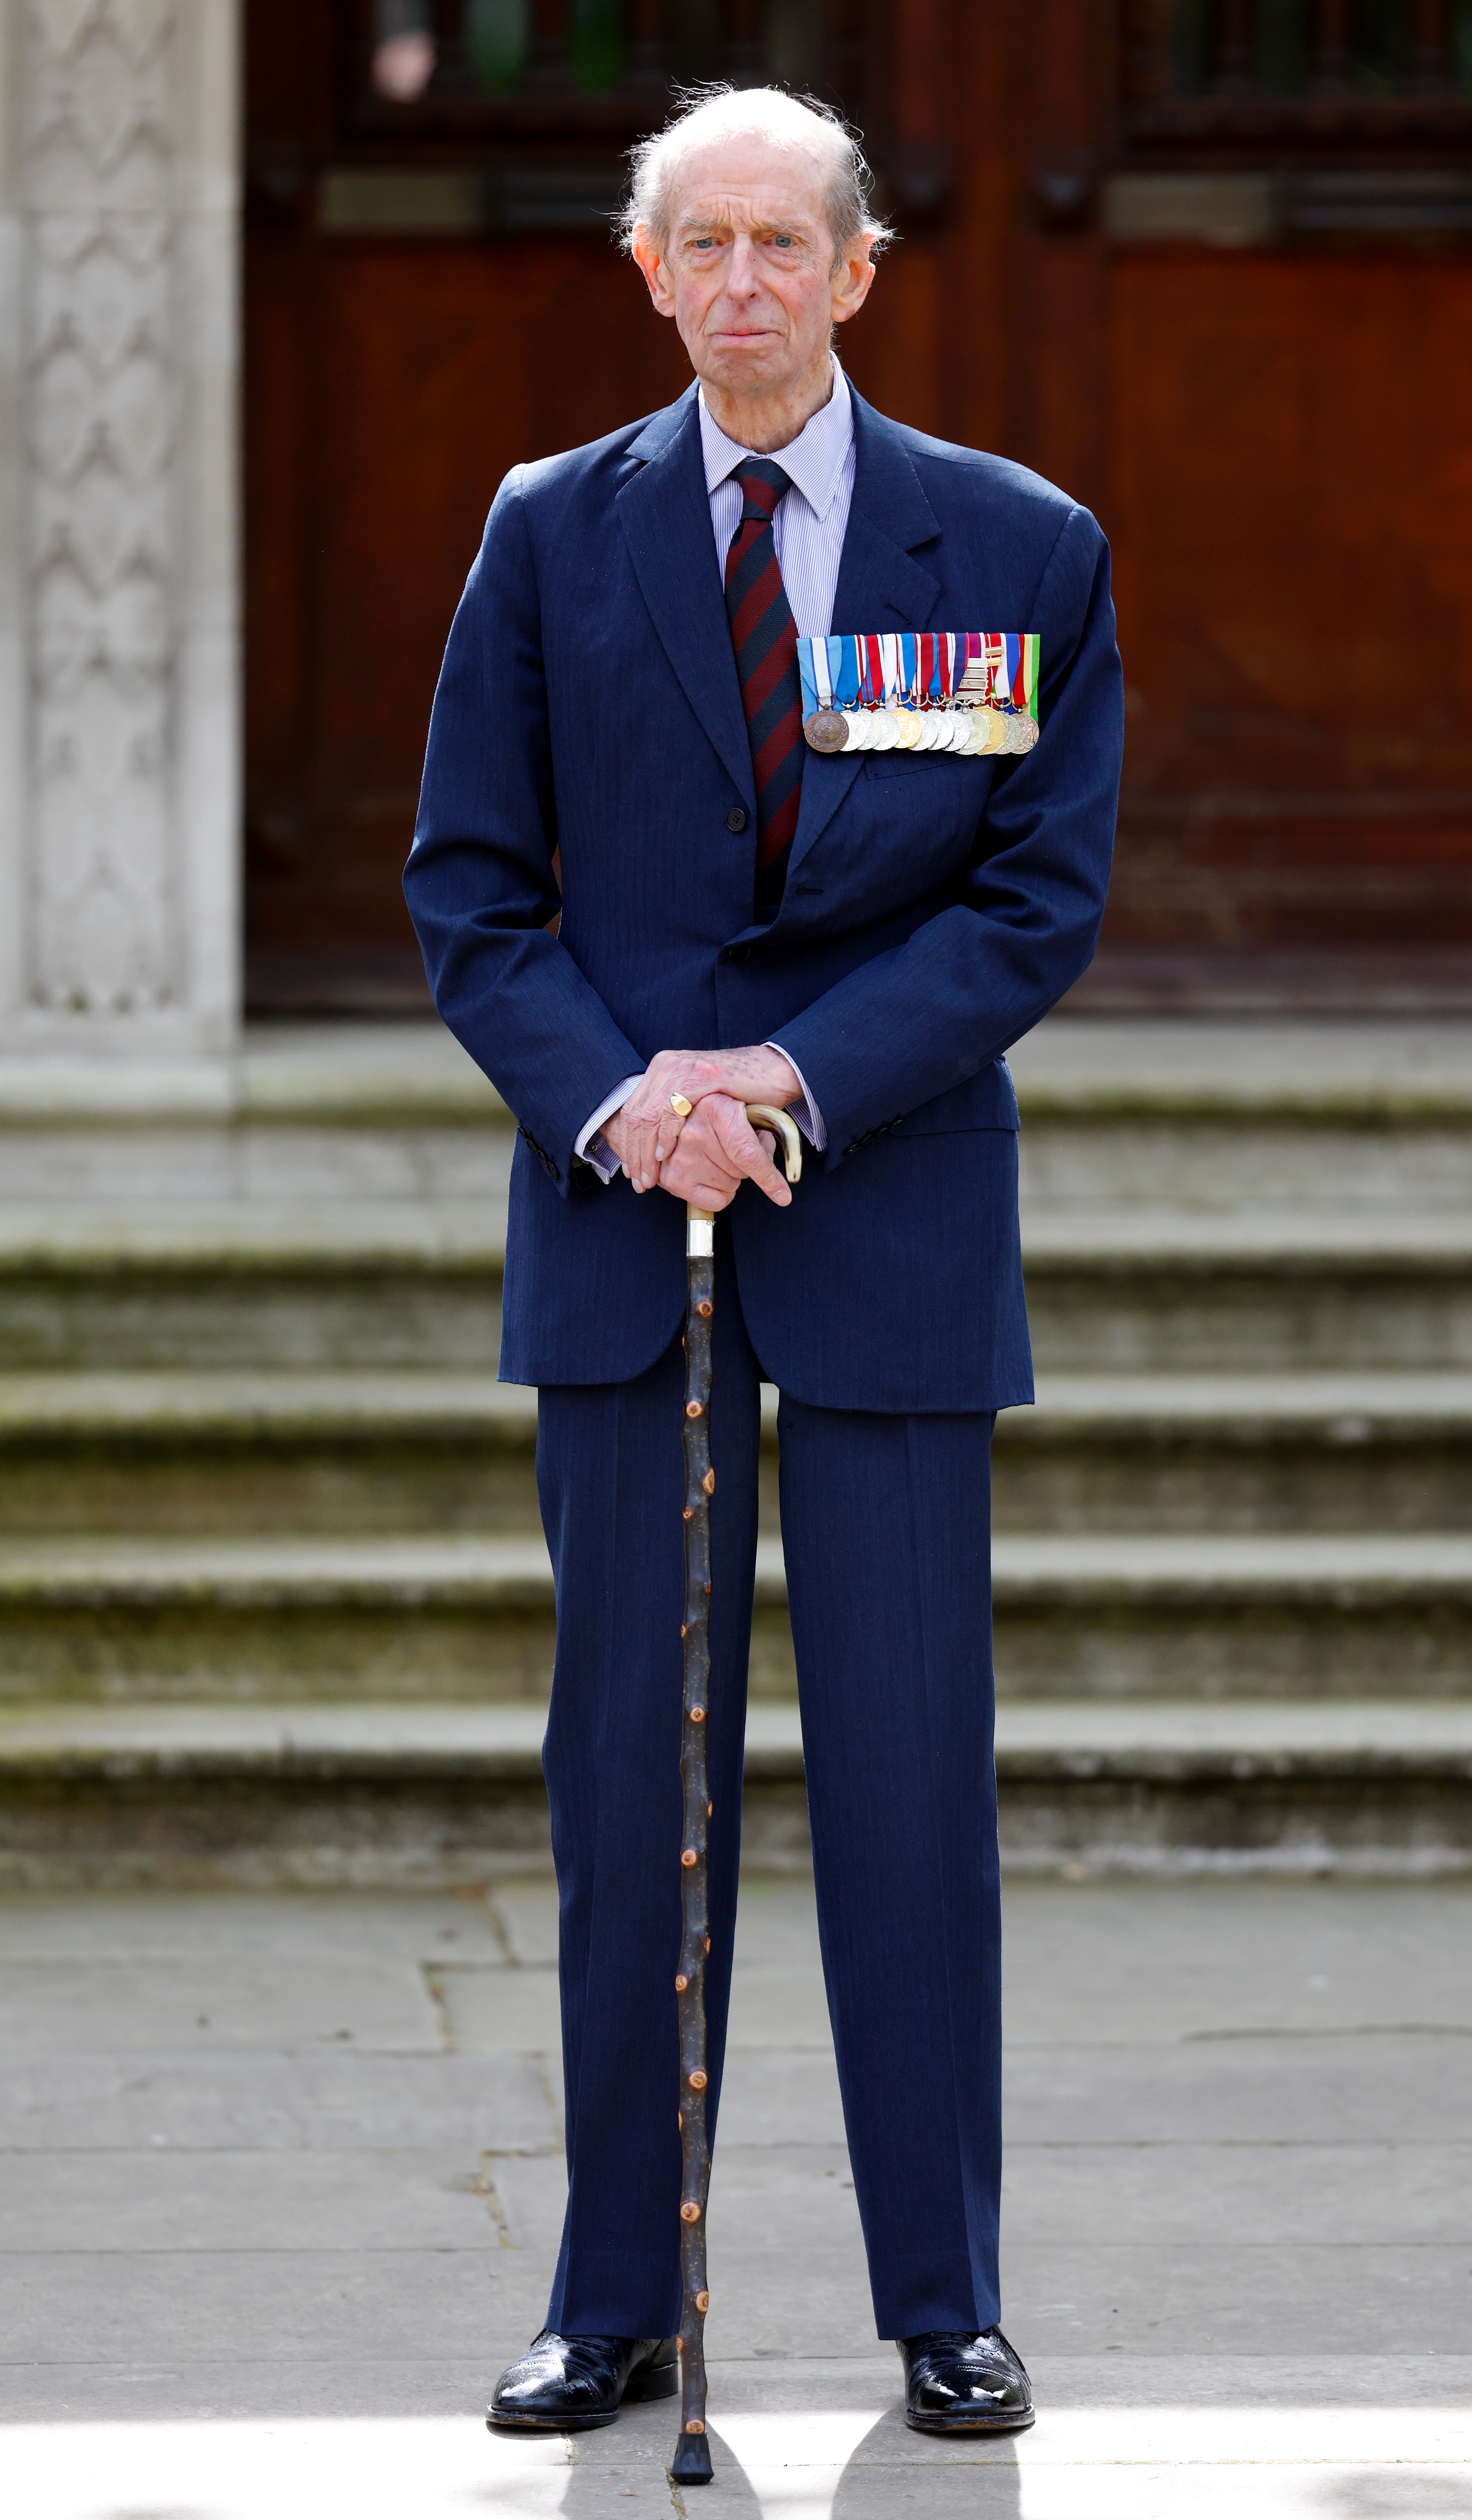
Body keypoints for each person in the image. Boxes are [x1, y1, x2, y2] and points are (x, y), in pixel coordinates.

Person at [404, 83, 1121, 2443]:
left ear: (851, 271)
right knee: (631, 1776)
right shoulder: (543, 534)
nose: (734, 278)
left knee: (911, 1780)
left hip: (889, 1216)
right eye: (691, 241)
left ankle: (945, 2304)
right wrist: (634, 1106)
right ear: (645, 274)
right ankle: (616, 2297)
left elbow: (1022, 895)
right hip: (625, 1231)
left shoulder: (1009, 546)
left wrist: (790, 1081)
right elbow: (471, 892)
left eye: (774, 241)